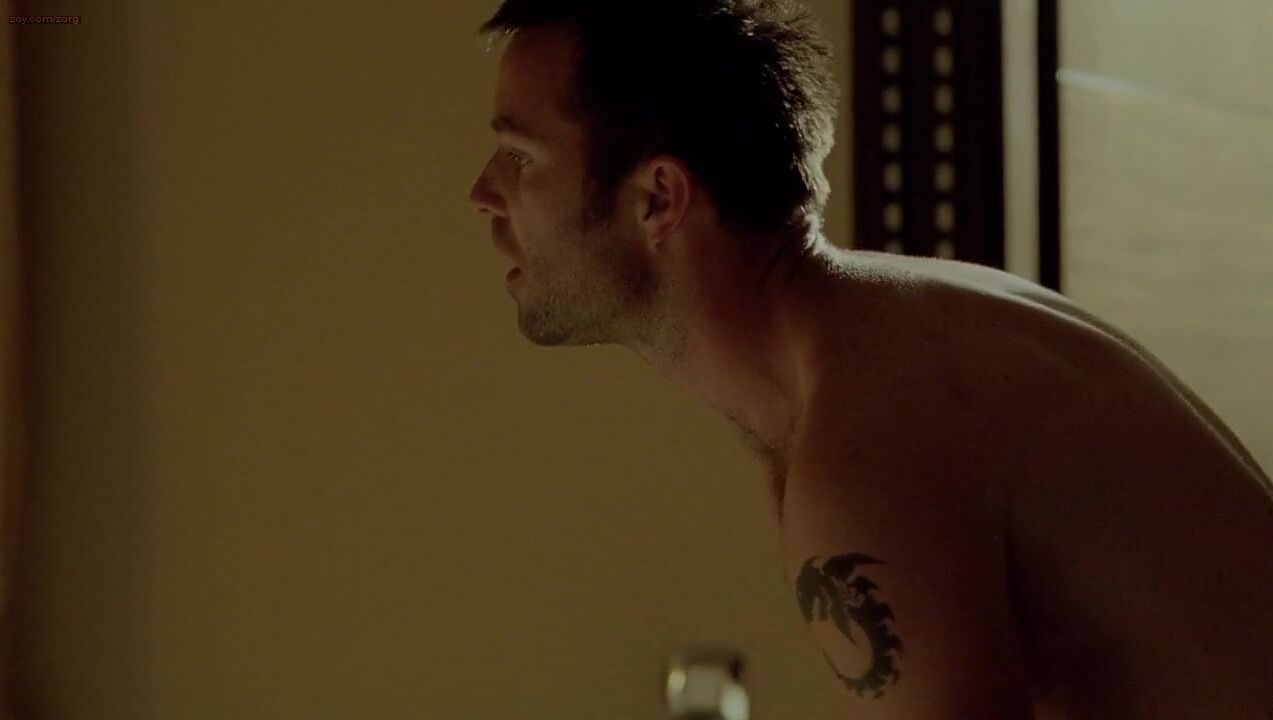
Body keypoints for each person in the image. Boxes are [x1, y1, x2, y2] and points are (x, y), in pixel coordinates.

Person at [466, 1, 1273, 717]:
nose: (483, 194)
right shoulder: (875, 347)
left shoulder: (870, 435)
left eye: (521, 157)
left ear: (657, 198)